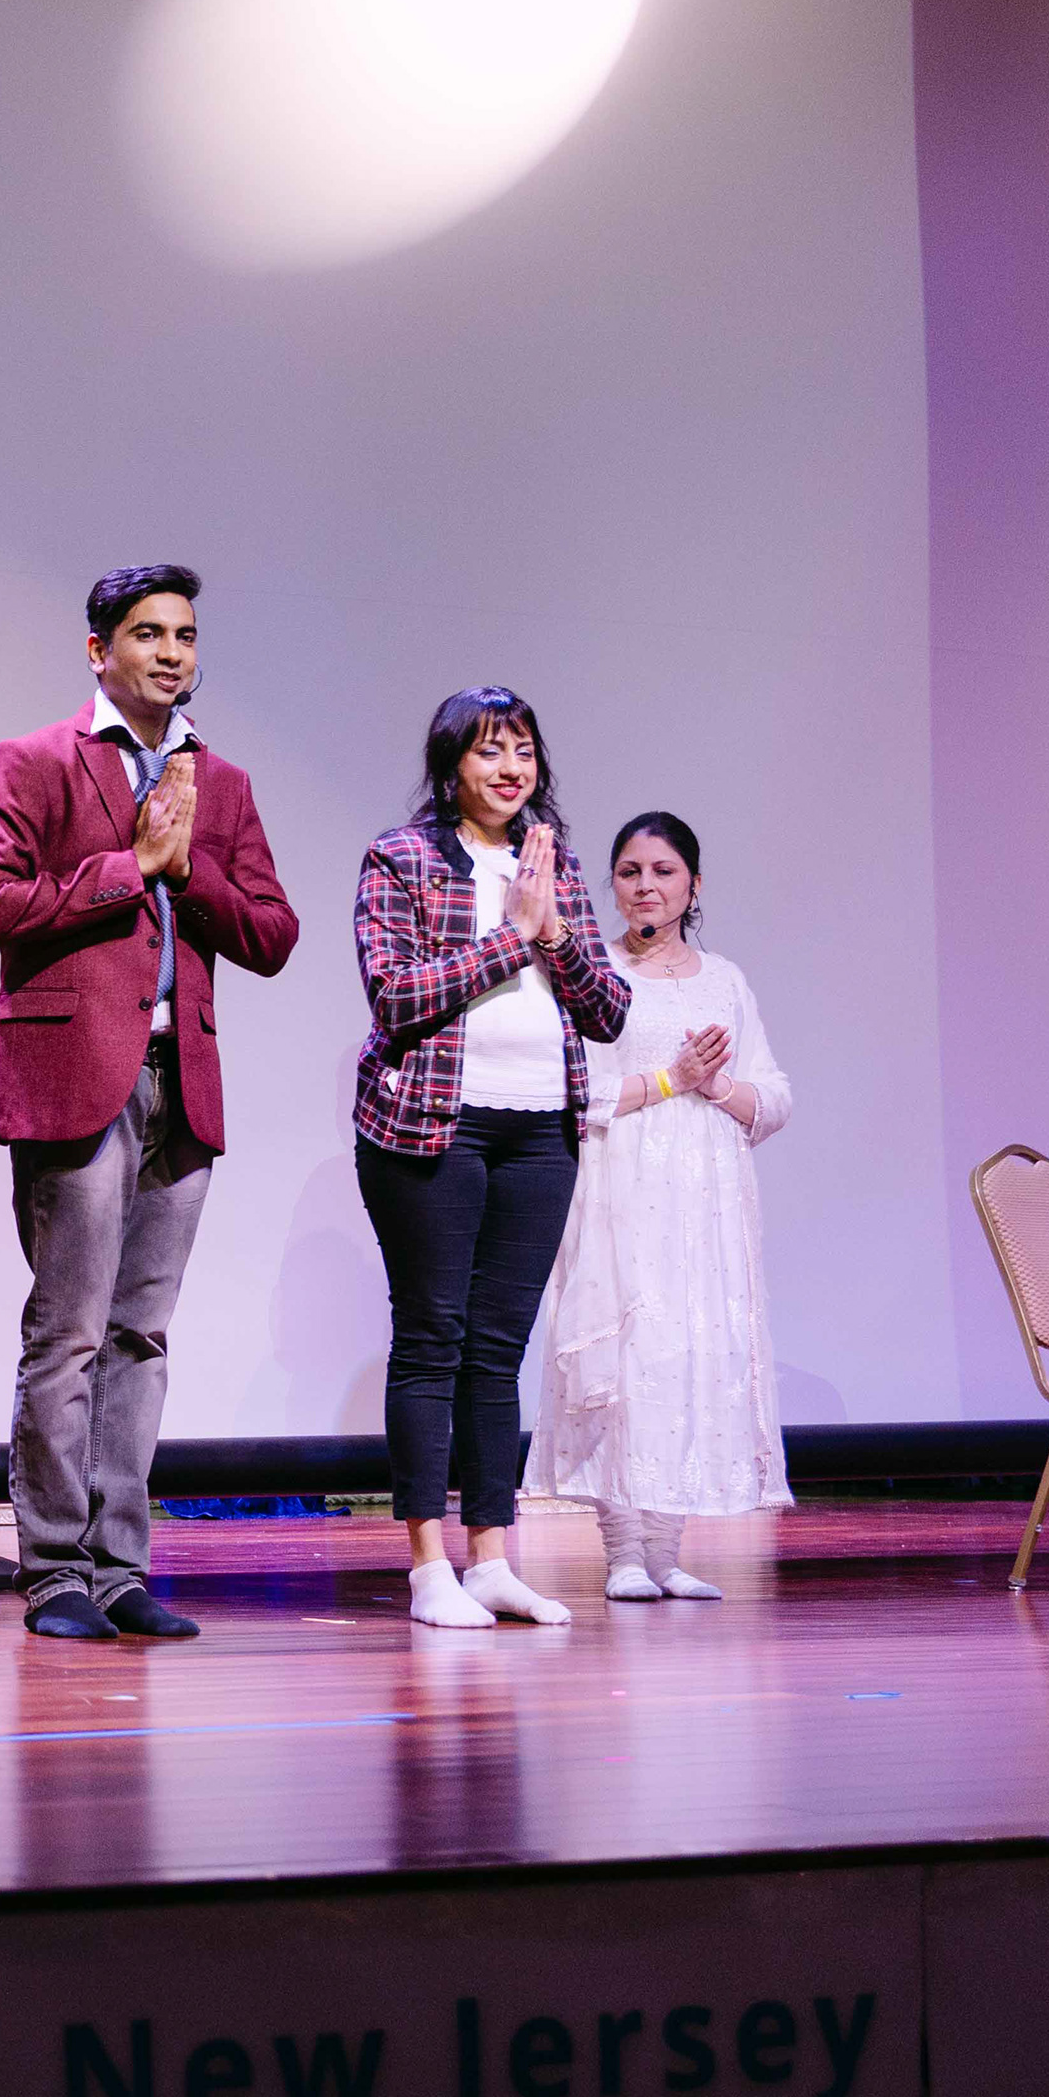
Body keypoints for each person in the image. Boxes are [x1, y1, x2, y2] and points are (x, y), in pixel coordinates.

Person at [0, 563, 299, 1642]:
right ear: (98, 649)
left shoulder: (222, 782)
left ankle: (120, 1569)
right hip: (75, 1076)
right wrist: (127, 865)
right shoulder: (36, 760)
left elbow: (273, 934)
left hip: (178, 1084)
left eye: (185, 635)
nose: (171, 652)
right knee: (68, 1333)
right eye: (148, 633)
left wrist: (185, 871)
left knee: (140, 1335)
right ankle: (55, 1570)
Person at [349, 686, 629, 1631]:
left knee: (498, 1351)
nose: (511, 769)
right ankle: (428, 1565)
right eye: (489, 751)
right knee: (433, 1337)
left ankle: (493, 1559)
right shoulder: (401, 857)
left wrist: (553, 930)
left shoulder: (554, 863)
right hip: (431, 1125)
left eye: (523, 751)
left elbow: (608, 1011)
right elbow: (394, 993)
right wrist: (511, 936)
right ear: (449, 768)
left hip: (540, 1131)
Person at [524, 812, 794, 1597]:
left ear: (694, 885)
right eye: (630, 870)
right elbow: (573, 1090)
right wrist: (671, 1078)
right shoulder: (591, 970)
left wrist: (716, 1085)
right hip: (620, 1180)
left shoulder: (725, 980)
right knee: (626, 1349)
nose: (646, 885)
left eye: (664, 870)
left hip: (705, 1196)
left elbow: (774, 1097)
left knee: (684, 1355)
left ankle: (667, 1552)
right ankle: (622, 1554)